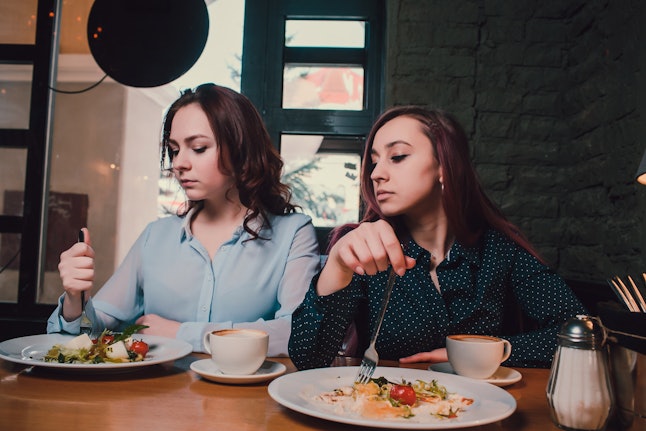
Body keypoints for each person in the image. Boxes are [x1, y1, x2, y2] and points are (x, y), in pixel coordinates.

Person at [288, 106, 586, 369]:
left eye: (398, 156)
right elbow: (307, 358)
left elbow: (578, 332)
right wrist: (337, 267)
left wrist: (484, 353)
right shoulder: (366, 248)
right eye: (375, 161)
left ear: (444, 166)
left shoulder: (498, 250)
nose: (377, 173)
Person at [48, 84, 320, 356]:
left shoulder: (293, 233)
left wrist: (180, 334)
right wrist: (76, 300)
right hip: (157, 396)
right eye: (175, 149)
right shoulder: (155, 236)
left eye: (198, 148)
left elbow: (297, 334)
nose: (179, 163)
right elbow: (89, 334)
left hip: (246, 398)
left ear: (241, 148)